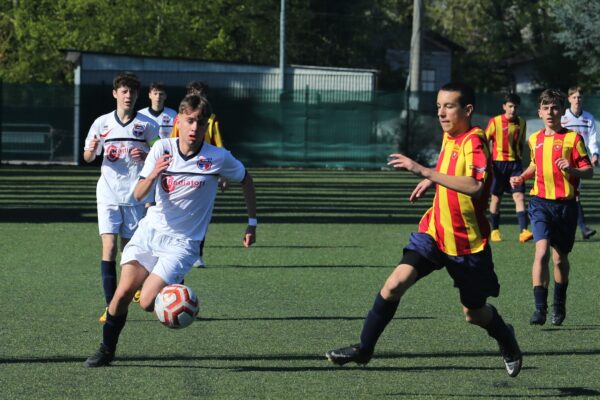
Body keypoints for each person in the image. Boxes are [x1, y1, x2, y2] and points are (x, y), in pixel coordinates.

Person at [326, 83, 523, 378]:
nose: (441, 113)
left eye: (449, 106)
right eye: (438, 107)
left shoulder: (475, 141)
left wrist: (425, 172)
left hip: (467, 243)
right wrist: (433, 181)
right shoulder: (449, 135)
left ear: (467, 110)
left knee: (474, 313)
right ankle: (365, 349)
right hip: (434, 230)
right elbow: (450, 165)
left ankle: (505, 336)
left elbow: (475, 185)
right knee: (393, 285)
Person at [84, 94, 257, 367]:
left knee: (147, 302)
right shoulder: (162, 148)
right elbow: (139, 194)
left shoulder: (218, 157)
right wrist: (154, 174)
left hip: (183, 243)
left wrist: (252, 222)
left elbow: (246, 180)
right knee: (122, 294)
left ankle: (180, 294)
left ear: (206, 125)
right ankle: (106, 350)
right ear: (179, 121)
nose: (194, 128)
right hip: (150, 232)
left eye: (200, 123)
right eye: (189, 121)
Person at [511, 89, 593, 326]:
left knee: (559, 260)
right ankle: (540, 309)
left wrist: (572, 169)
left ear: (561, 111)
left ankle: (559, 303)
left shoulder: (573, 139)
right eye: (545, 108)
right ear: (539, 112)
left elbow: (589, 171)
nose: (550, 112)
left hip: (566, 206)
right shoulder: (534, 139)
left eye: (554, 107)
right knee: (541, 252)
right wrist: (521, 177)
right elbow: (535, 165)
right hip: (539, 203)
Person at [83, 72, 159, 324]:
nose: (128, 96)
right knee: (110, 247)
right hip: (107, 194)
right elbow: (87, 157)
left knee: (129, 253)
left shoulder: (147, 125)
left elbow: (161, 154)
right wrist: (92, 152)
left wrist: (146, 151)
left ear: (137, 96)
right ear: (115, 94)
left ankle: (135, 289)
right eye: (124, 91)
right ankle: (110, 305)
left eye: (132, 92)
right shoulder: (102, 123)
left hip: (135, 197)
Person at [172, 80, 226, 268]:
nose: (199, 96)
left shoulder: (211, 119)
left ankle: (197, 253)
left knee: (200, 214)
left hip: (205, 168)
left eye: (202, 93)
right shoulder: (181, 118)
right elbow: (173, 141)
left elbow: (219, 145)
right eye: (195, 93)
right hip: (182, 168)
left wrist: (222, 173)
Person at [485, 93, 533, 243]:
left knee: (519, 196)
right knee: (496, 198)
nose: (513, 109)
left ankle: (523, 231)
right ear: (504, 106)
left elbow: (520, 144)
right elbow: (485, 141)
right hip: (498, 165)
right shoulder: (495, 122)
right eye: (510, 106)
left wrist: (523, 163)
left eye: (515, 107)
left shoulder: (522, 123)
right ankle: (494, 230)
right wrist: (487, 163)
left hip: (515, 165)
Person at [561, 86, 598, 240]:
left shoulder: (588, 118)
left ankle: (581, 228)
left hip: (579, 162)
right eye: (574, 97)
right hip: (563, 161)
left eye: (579, 97)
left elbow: (592, 139)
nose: (577, 100)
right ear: (569, 99)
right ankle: (579, 228)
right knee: (565, 195)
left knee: (574, 195)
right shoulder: (562, 117)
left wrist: (595, 154)